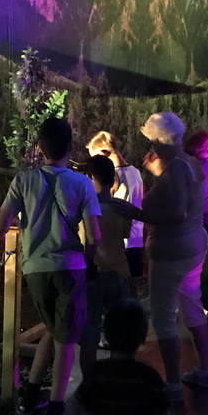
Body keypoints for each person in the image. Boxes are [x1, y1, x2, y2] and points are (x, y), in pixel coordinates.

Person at [0, 116, 101, 415]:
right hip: (71, 269)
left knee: (53, 332)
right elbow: (93, 236)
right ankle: (55, 411)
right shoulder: (81, 183)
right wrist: (90, 261)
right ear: (70, 147)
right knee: (66, 340)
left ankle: (28, 398)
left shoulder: (23, 181)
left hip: (35, 271)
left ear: (39, 148)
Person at [112, 112, 208, 403]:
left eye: (152, 142)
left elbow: (177, 212)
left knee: (165, 318)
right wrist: (159, 175)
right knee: (193, 307)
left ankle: (173, 386)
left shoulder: (176, 169)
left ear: (160, 140)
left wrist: (139, 213)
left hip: (172, 251)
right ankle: (204, 370)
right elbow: (186, 200)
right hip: (194, 246)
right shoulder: (189, 163)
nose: (152, 148)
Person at [78, 155, 132, 376]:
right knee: (119, 332)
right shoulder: (123, 209)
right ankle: (117, 379)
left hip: (91, 274)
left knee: (89, 334)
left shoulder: (84, 209)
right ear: (113, 180)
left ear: (91, 178)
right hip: (119, 273)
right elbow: (125, 235)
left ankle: (89, 383)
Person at [87, 130, 144, 277]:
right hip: (136, 240)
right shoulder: (135, 172)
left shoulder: (113, 177)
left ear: (104, 153)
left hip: (119, 244)